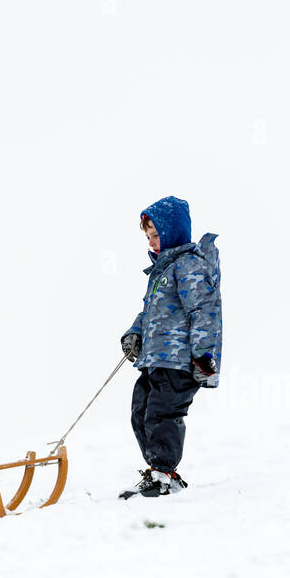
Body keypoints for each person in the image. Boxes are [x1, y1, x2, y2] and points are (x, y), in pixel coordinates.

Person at [118, 196, 222, 499]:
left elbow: (203, 311)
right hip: (156, 359)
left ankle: (163, 475)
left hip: (180, 361)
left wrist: (204, 356)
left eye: (156, 235)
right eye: (148, 236)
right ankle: (160, 471)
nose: (151, 242)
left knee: (161, 414)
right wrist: (134, 334)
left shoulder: (188, 265)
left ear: (173, 231)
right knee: (141, 412)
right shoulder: (162, 272)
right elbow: (149, 313)